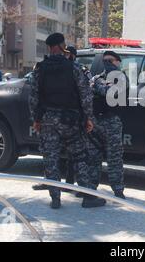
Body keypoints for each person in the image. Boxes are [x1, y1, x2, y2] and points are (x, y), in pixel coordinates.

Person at [29, 33, 102, 209]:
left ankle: (55, 199)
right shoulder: (74, 67)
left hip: (47, 121)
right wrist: (89, 118)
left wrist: (36, 119)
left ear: (49, 48)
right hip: (70, 121)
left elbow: (33, 97)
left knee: (51, 159)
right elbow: (85, 95)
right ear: (62, 46)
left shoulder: (39, 69)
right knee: (80, 157)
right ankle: (88, 197)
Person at [86, 50, 126, 200]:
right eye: (107, 61)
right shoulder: (98, 78)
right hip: (101, 123)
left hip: (108, 122)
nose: (109, 64)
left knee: (112, 158)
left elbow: (110, 92)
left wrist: (98, 86)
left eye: (110, 61)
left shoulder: (120, 78)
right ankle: (92, 190)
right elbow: (90, 93)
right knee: (95, 157)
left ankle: (116, 190)